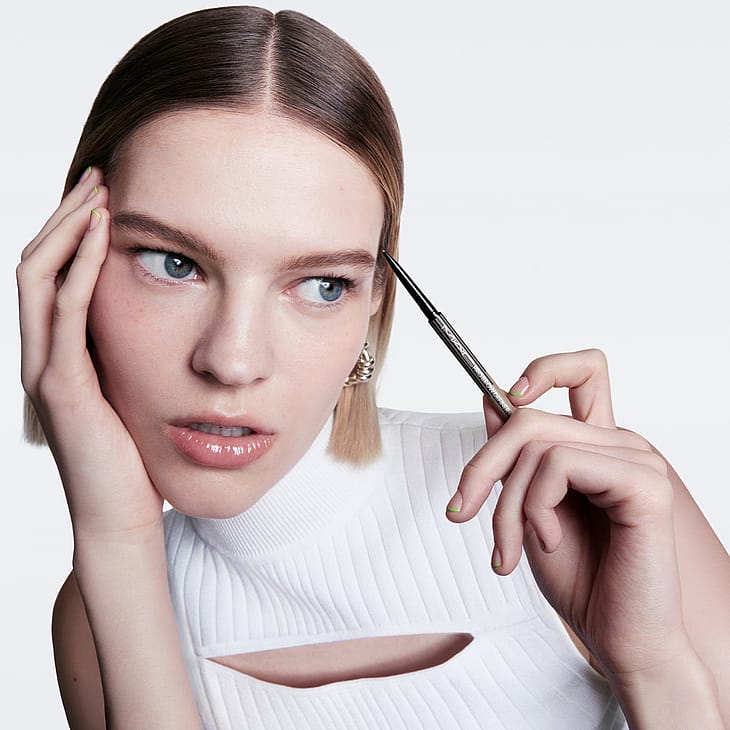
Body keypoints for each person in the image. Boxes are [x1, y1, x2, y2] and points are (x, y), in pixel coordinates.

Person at [16, 6, 729, 729]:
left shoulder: (591, 506)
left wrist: (654, 666)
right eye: (174, 264)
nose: (232, 361)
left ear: (373, 302)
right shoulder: (104, 596)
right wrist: (117, 540)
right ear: (74, 262)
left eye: (322, 284)